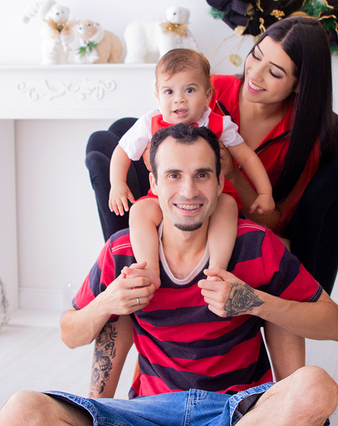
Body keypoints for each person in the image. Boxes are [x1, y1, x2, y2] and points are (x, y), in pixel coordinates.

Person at [0, 124, 338, 426]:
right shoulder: (123, 252)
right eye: (174, 176)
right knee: (18, 413)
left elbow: (337, 324)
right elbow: (70, 333)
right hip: (148, 421)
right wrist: (107, 300)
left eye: (202, 174)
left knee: (316, 389)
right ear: (154, 184)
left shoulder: (256, 245)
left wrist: (255, 301)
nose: (189, 189)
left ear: (221, 183)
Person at [83, 14, 338, 426]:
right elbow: (140, 143)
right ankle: (112, 425)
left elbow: (275, 213)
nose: (255, 77)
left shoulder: (293, 138)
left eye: (275, 73)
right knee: (29, 412)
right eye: (254, 58)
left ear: (300, 87)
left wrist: (232, 189)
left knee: (263, 266)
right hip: (172, 227)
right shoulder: (201, 87)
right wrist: (139, 189)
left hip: (247, 224)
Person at [109, 49, 274, 300]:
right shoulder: (150, 122)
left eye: (189, 90)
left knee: (228, 206)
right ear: (157, 95)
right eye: (169, 92)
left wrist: (264, 192)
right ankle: (150, 268)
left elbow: (247, 156)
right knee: (140, 211)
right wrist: (117, 183)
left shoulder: (218, 123)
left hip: (211, 201)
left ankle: (216, 270)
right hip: (166, 200)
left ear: (207, 95)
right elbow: (122, 150)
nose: (179, 100)